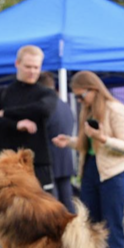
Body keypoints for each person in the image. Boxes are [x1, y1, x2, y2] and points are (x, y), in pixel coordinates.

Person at [52, 71, 124, 248]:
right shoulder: (87, 110)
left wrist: (102, 138)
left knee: (111, 227)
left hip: (112, 174)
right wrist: (70, 141)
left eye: (81, 95)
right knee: (89, 225)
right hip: (90, 171)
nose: (79, 100)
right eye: (76, 97)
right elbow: (87, 146)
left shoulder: (115, 109)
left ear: (94, 89)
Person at [0, 45, 58, 192]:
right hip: (5, 163)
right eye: (28, 67)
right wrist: (15, 125)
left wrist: (7, 112)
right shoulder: (1, 93)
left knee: (41, 211)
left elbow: (44, 109)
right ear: (17, 64)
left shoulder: (46, 93)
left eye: (36, 67)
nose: (32, 72)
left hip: (37, 163)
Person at [40, 72, 76, 213]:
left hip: (48, 159)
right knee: (67, 202)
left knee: (51, 205)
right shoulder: (64, 105)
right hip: (64, 158)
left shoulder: (45, 105)